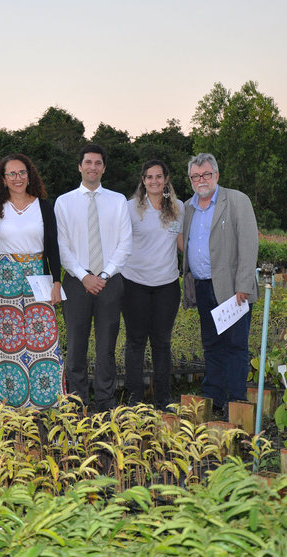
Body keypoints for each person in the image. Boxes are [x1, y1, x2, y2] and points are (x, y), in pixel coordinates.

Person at [0, 153, 64, 409]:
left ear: (30, 176)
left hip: (38, 276)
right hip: (4, 283)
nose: (18, 178)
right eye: (12, 174)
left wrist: (58, 282)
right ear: (3, 179)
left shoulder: (44, 206)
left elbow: (53, 247)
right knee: (6, 342)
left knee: (44, 340)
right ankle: (6, 403)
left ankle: (47, 403)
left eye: (22, 173)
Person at [54, 143, 132, 412]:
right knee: (75, 345)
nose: (92, 167)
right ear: (80, 166)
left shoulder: (118, 200)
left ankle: (105, 400)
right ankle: (77, 401)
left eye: (98, 163)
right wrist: (84, 276)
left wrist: (105, 274)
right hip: (77, 282)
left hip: (110, 281)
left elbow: (125, 243)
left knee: (106, 346)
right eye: (88, 162)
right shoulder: (63, 202)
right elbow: (61, 247)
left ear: (104, 168)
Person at [181, 152, 259, 417]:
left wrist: (244, 285)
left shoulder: (236, 201)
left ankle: (236, 402)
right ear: (190, 179)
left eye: (206, 174)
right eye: (195, 176)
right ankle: (214, 397)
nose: (201, 180)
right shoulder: (188, 207)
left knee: (235, 346)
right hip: (203, 287)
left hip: (233, 289)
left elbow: (249, 245)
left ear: (216, 175)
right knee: (212, 345)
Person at [121, 160, 184, 410]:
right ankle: (134, 399)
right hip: (135, 284)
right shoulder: (131, 209)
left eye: (159, 176)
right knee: (135, 342)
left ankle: (163, 400)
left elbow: (181, 244)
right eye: (149, 177)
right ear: (143, 181)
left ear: (166, 179)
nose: (154, 181)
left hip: (167, 286)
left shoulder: (178, 207)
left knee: (162, 343)